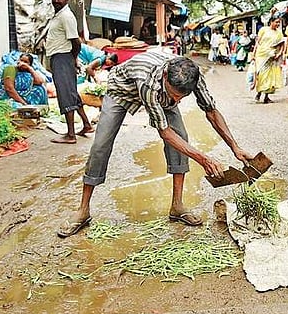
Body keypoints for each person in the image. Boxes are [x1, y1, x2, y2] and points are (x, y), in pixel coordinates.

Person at [57, 53, 254, 238]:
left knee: (182, 137)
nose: (176, 101)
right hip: (121, 91)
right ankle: (83, 210)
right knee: (101, 145)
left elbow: (211, 111)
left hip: (158, 92)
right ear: (166, 75)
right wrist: (203, 159)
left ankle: (177, 206)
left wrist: (235, 147)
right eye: (174, 94)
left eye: (181, 98)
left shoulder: (192, 75)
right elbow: (165, 132)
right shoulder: (148, 82)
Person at [45, 0, 94, 144]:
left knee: (65, 95)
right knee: (71, 93)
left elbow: (76, 42)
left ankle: (70, 134)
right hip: (61, 57)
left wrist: (72, 59)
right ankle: (86, 125)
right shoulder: (58, 15)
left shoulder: (66, 16)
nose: (57, 0)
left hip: (63, 57)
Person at [251, 15, 284, 104]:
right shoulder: (263, 30)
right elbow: (257, 42)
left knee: (270, 77)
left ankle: (266, 96)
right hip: (261, 55)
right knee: (260, 74)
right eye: (276, 22)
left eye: (279, 22)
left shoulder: (279, 33)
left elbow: (281, 45)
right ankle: (258, 93)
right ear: (271, 22)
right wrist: (253, 54)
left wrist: (279, 54)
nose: (277, 24)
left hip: (271, 56)